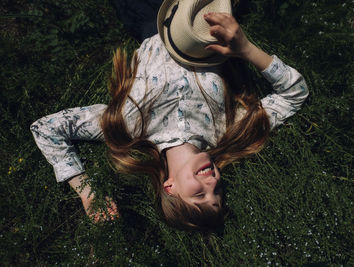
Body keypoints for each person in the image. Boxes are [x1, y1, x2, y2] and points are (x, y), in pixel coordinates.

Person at [30, 0, 309, 231]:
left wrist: (86, 191)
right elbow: (295, 94)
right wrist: (246, 49)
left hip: (146, 18)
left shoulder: (128, 129)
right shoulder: (230, 129)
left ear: (170, 187)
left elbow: (46, 129)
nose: (212, 184)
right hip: (199, 17)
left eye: (199, 194)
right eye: (217, 195)